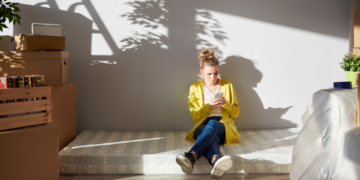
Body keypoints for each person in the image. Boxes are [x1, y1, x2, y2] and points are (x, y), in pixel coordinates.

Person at [176, 48, 240, 179]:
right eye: (209, 74)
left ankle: (192, 155)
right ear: (201, 72)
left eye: (215, 73)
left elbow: (236, 113)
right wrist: (208, 107)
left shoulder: (227, 85)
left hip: (223, 126)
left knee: (213, 124)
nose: (213, 77)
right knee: (211, 137)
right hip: (203, 126)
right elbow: (194, 117)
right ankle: (216, 160)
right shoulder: (194, 87)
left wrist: (225, 103)